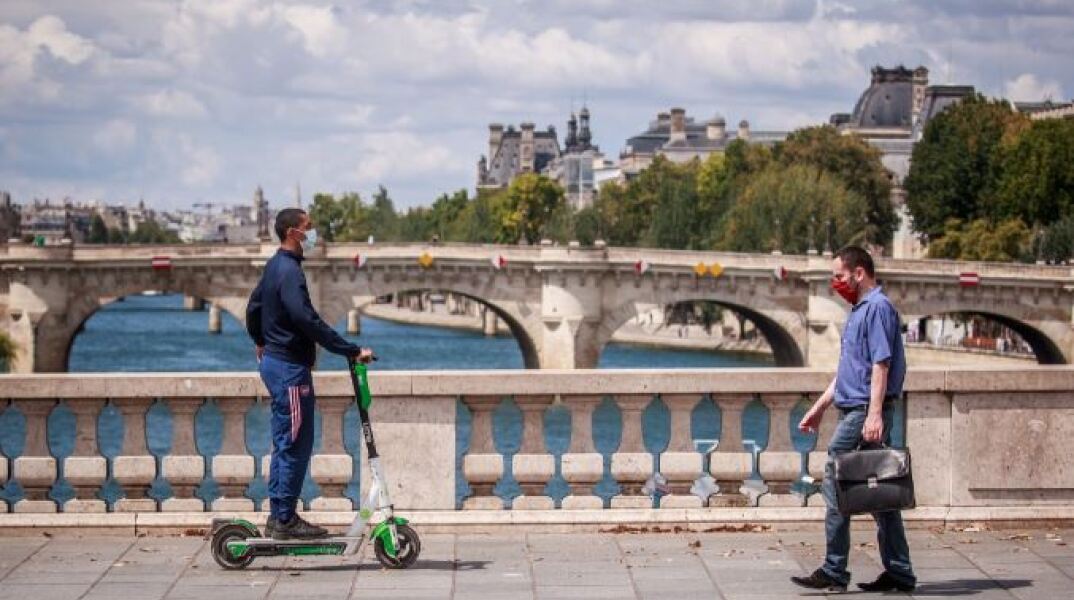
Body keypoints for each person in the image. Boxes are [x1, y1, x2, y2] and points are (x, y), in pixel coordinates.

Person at [791, 246, 916, 593]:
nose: (835, 282)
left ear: (858, 273)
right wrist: (819, 408)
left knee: (835, 480)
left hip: (863, 411)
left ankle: (834, 570)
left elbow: (881, 364)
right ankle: (900, 573)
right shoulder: (860, 310)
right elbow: (850, 371)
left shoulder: (876, 308)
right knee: (882, 491)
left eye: (839, 276)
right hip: (859, 408)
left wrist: (874, 414)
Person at [246, 208, 373, 540]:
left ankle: (279, 516)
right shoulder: (290, 271)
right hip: (289, 369)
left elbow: (253, 307)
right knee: (296, 443)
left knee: (284, 442)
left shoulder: (275, 265)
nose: (313, 233)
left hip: (276, 363)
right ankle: (285, 519)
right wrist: (349, 349)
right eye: (309, 227)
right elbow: (306, 319)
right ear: (293, 232)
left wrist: (260, 339)